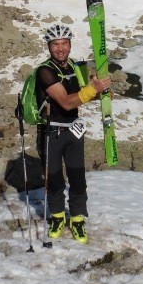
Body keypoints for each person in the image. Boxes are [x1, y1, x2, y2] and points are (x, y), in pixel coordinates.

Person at [35, 22, 111, 244]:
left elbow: (81, 94)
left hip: (74, 131)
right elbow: (67, 103)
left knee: (78, 178)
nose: (60, 48)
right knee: (55, 179)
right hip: (51, 132)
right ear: (49, 46)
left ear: (70, 45)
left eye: (64, 43)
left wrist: (101, 93)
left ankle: (77, 219)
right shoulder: (45, 72)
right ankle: (57, 217)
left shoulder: (74, 68)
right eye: (55, 44)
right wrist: (92, 90)